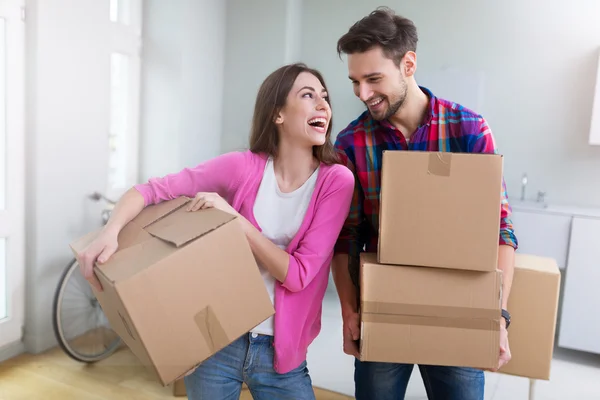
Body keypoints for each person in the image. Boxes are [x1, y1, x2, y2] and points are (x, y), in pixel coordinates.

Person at [76, 63, 354, 400]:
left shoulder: (336, 181)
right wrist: (111, 231)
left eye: (324, 97)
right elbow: (151, 190)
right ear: (278, 114)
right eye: (308, 95)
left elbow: (298, 276)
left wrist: (235, 221)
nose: (323, 104)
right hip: (216, 342)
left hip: (280, 356)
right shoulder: (243, 166)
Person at [331, 7, 518, 400]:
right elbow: (346, 238)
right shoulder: (352, 143)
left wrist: (495, 316)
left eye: (374, 79)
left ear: (409, 64)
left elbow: (499, 229)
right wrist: (350, 312)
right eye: (355, 82)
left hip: (459, 308)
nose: (363, 94)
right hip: (383, 309)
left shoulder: (468, 129)